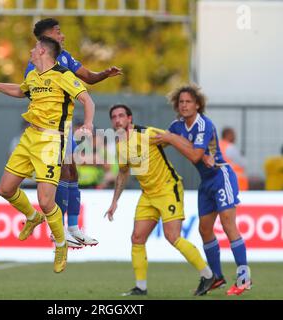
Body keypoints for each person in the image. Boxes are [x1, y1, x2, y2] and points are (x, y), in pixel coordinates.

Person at [0, 36, 95, 273]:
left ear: (44, 51)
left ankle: (60, 244)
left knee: (46, 201)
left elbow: (87, 99)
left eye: (35, 47)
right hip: (30, 138)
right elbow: (20, 90)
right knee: (5, 189)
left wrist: (87, 123)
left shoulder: (64, 75)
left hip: (51, 141)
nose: (31, 49)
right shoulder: (32, 76)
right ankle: (32, 217)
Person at [26, 18, 122, 248]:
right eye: (58, 32)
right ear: (46, 36)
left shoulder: (65, 57)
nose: (63, 35)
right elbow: (32, 94)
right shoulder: (36, 63)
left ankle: (72, 228)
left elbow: (88, 76)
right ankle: (57, 229)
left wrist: (104, 74)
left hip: (65, 126)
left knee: (71, 171)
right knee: (61, 173)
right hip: (50, 129)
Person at [105, 104, 215, 296]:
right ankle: (141, 287)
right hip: (147, 194)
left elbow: (173, 139)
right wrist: (115, 201)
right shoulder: (120, 144)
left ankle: (208, 275)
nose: (117, 120)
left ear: (129, 119)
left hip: (167, 188)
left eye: (121, 115)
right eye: (114, 117)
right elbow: (123, 173)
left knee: (172, 237)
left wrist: (203, 155)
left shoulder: (146, 133)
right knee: (137, 238)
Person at [154, 84, 251, 296]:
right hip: (205, 181)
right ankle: (216, 277)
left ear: (198, 104)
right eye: (181, 102)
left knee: (228, 224)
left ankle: (244, 278)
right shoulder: (176, 126)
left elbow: (196, 156)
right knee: (204, 230)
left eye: (188, 101)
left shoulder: (204, 124)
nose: (184, 105)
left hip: (221, 176)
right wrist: (139, 136)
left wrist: (173, 139)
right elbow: (160, 141)